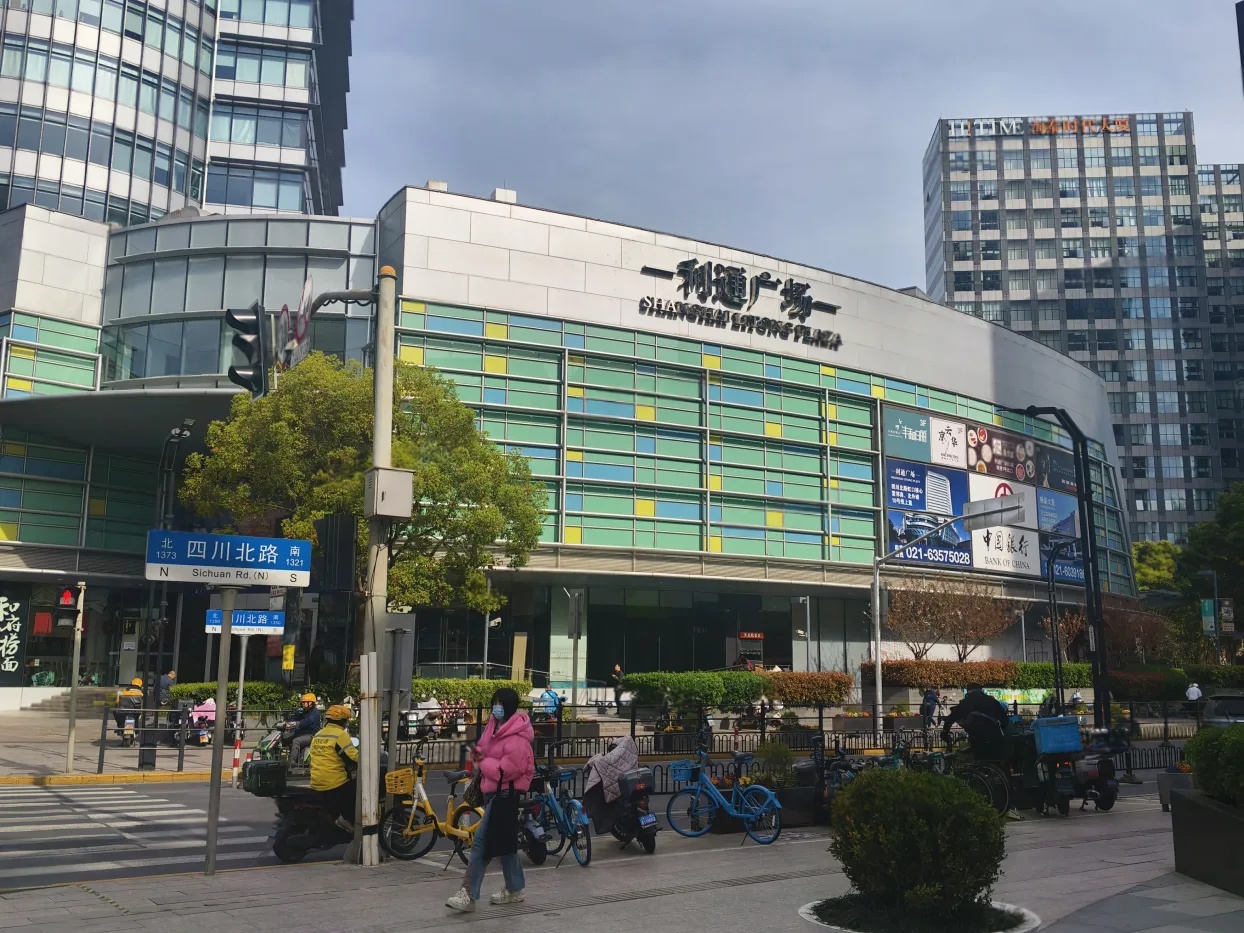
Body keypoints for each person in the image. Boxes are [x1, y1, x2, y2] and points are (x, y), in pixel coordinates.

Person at [446, 687, 534, 913]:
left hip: (505, 797)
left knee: (481, 843)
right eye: (495, 702)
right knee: (505, 844)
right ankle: (515, 889)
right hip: (492, 794)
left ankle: (468, 894)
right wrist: (483, 760)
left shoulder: (518, 738)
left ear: (509, 706)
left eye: (500, 703)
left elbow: (503, 771)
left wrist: (483, 762)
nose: (496, 707)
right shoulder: (492, 728)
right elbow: (477, 752)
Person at [308, 704, 358, 831]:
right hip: (333, 782)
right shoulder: (340, 735)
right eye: (346, 721)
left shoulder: (318, 734)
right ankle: (348, 820)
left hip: (316, 781)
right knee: (357, 791)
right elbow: (354, 756)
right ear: (342, 721)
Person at [940, 685, 1008, 757]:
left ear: (968, 691)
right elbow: (1005, 720)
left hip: (977, 736)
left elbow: (952, 717)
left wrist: (945, 732)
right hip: (994, 735)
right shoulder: (993, 701)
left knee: (977, 756)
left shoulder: (967, 701)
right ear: (981, 690)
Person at [286, 693, 321, 764]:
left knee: (296, 741)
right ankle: (296, 759)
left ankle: (292, 763)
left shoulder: (314, 713)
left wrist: (296, 723)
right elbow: (297, 717)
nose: (303, 704)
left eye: (305, 702)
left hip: (311, 735)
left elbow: (308, 721)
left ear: (310, 703)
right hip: (304, 733)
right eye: (303, 702)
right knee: (289, 737)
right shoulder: (305, 712)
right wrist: (288, 722)